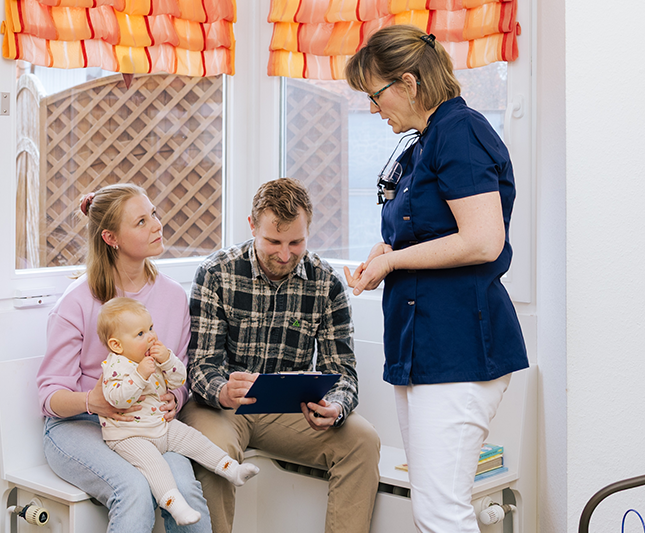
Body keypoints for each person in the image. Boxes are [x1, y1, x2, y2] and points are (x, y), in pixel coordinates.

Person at [342, 25, 529, 533]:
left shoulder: (461, 132)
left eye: (376, 95)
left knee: (440, 511)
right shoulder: (423, 141)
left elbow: (483, 240)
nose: (375, 109)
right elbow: (426, 230)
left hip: (459, 345)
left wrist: (394, 263)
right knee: (432, 504)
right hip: (423, 344)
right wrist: (385, 252)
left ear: (408, 82)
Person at [180, 177, 381, 533]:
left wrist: (336, 407)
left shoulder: (326, 283)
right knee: (214, 450)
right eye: (273, 241)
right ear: (252, 227)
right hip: (223, 408)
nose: (285, 254)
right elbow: (201, 365)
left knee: (362, 442)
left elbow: (343, 372)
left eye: (296, 242)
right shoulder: (216, 273)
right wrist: (222, 390)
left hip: (289, 413)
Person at [36, 183, 213, 533]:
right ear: (111, 238)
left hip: (145, 426)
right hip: (78, 427)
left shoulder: (174, 297)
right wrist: (94, 401)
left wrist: (173, 399)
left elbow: (179, 370)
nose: (157, 225)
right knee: (132, 489)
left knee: (186, 491)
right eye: (142, 221)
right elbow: (48, 398)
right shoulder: (77, 301)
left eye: (155, 215)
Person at [96, 297, 259, 526]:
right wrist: (140, 375)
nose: (151, 336)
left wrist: (168, 360)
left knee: (195, 439)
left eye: (151, 328)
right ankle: (175, 504)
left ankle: (231, 469)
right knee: (155, 466)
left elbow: (179, 379)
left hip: (161, 426)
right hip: (129, 436)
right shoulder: (115, 366)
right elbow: (118, 398)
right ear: (117, 345)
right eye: (140, 334)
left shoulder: (153, 358)